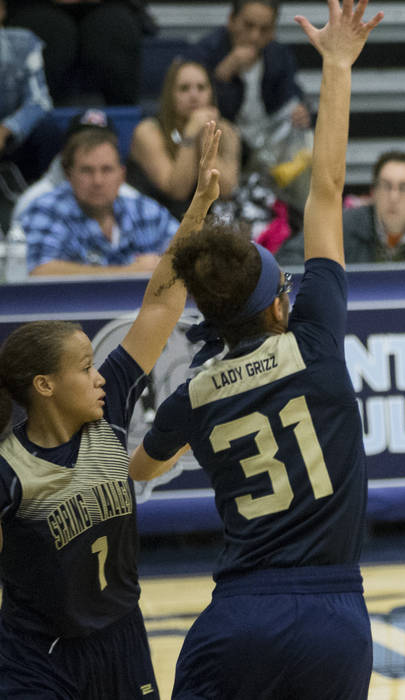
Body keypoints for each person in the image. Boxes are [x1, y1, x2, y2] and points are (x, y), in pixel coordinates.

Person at [128, 3, 382, 698]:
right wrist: (336, 66)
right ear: (277, 303)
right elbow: (326, 190)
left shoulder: (193, 396)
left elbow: (137, 474)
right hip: (334, 617)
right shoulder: (317, 339)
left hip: (235, 619)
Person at [0, 123, 223, 699]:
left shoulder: (112, 410)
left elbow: (160, 304)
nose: (100, 374)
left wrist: (196, 208)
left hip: (122, 639)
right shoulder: (10, 472)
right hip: (35, 653)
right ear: (44, 385)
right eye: (83, 368)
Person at [18, 126, 179, 276]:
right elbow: (40, 270)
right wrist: (126, 272)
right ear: (69, 175)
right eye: (87, 171)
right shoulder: (47, 210)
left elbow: (191, 252)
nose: (98, 181)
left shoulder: (143, 210)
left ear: (121, 175)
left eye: (107, 170)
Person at [277, 149, 405, 264]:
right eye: (385, 186)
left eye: (403, 188)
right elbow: (287, 259)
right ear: (373, 192)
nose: (393, 197)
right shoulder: (348, 225)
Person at [188, 0, 312, 187]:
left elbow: (293, 96)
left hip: (269, 145)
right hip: (227, 142)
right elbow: (195, 108)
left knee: (310, 146)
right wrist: (223, 76)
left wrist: (303, 111)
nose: (255, 36)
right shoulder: (207, 52)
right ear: (231, 20)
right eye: (248, 26)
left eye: (264, 29)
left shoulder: (278, 55)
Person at [128, 59, 241, 219]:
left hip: (209, 223)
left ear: (211, 93)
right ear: (170, 95)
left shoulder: (227, 131)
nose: (194, 96)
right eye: (184, 88)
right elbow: (177, 192)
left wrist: (205, 137)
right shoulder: (148, 132)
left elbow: (227, 191)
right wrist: (191, 134)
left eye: (201, 88)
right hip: (158, 221)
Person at [4, 0, 151, 106]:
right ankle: (34, 116)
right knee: (52, 34)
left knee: (113, 31)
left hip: (108, 7)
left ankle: (122, 118)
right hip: (35, 6)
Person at [0, 0, 60, 194]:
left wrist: (7, 129)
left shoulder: (24, 43)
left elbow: (40, 101)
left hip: (11, 139)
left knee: (47, 129)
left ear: (2, 11)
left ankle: (44, 194)